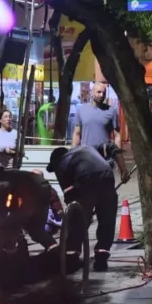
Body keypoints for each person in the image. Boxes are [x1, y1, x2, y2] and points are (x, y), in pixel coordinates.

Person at [46, 144, 117, 272]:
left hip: (86, 179)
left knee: (77, 222)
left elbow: (70, 200)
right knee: (107, 220)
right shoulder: (86, 147)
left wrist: (79, 215)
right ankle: (101, 258)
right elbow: (113, 147)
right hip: (108, 176)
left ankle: (71, 259)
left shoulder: (62, 164)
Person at [73, 82, 119, 148]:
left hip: (104, 155)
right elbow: (76, 134)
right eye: (99, 92)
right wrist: (72, 154)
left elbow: (117, 136)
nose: (102, 95)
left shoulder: (111, 111)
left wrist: (117, 154)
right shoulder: (81, 110)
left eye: (104, 93)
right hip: (87, 154)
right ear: (92, 92)